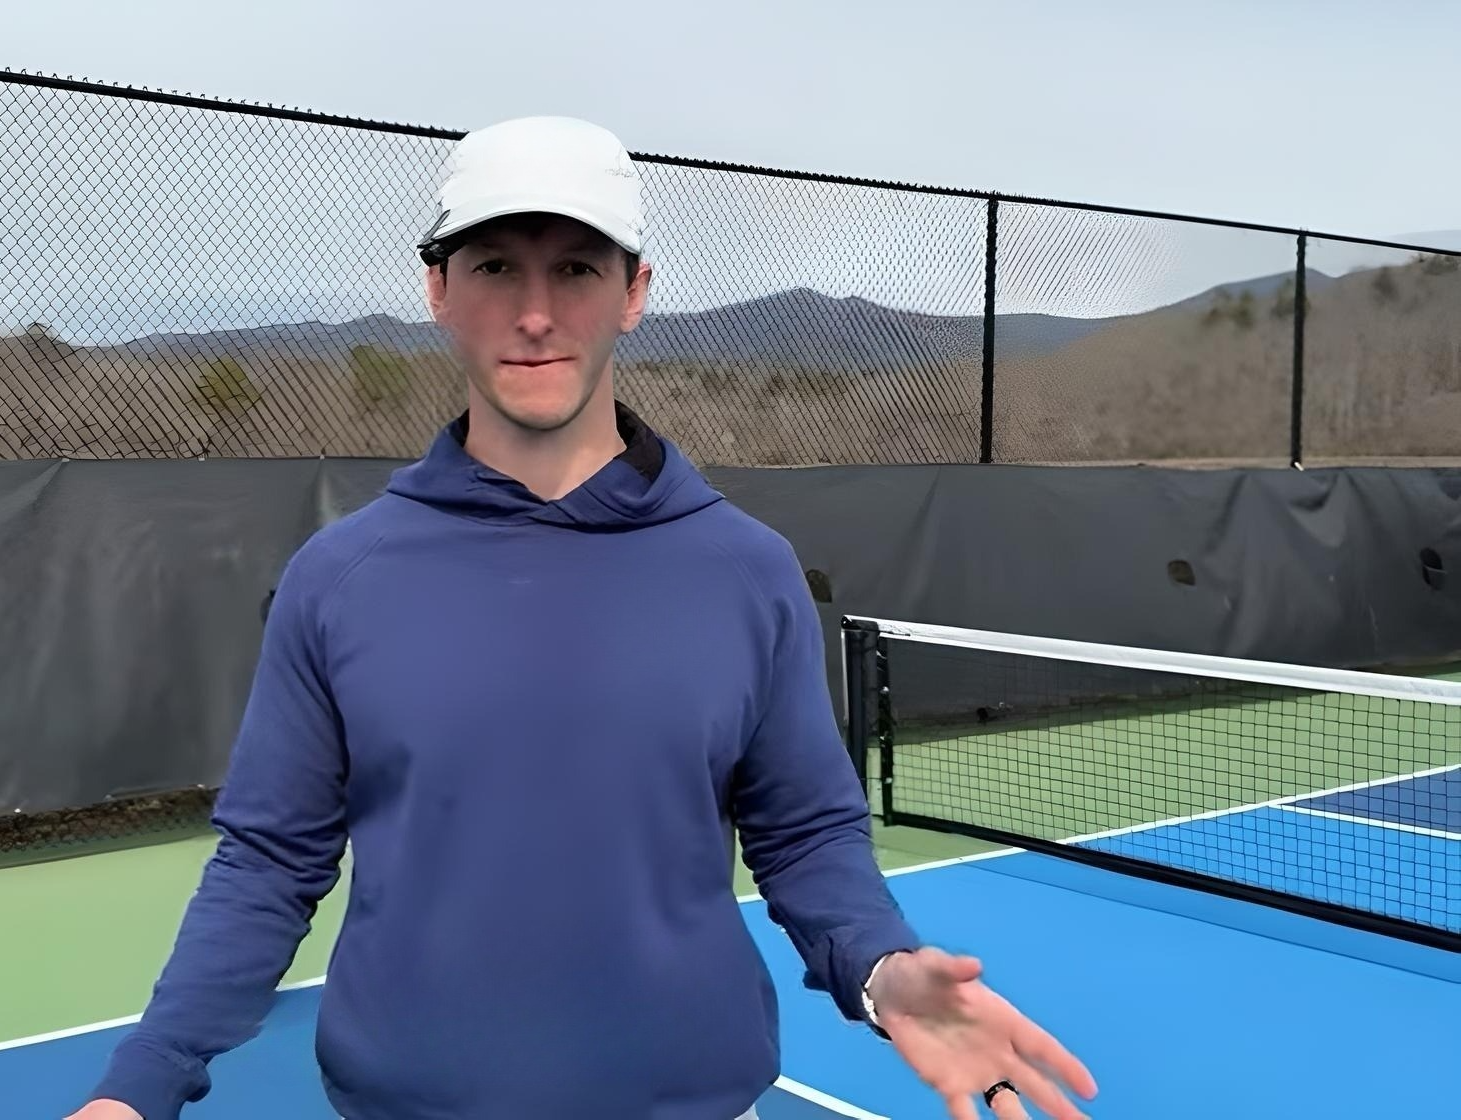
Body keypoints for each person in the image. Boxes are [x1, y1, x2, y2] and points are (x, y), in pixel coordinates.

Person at [71, 116, 1096, 1120]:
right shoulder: (339, 578)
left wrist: (881, 967)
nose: (534, 314)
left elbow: (804, 830)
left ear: (633, 292)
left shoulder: (746, 569)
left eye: (574, 269)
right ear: (437, 290)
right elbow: (268, 860)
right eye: (494, 268)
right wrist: (139, 1084)